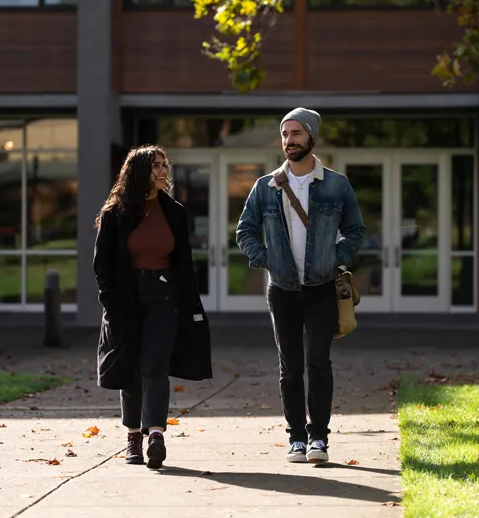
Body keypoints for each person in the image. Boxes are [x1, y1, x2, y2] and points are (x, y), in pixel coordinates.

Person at [236, 108, 365, 464]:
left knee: (318, 362)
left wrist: (335, 257)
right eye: (284, 134)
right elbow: (244, 231)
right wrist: (266, 258)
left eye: (295, 133)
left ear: (311, 137)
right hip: (282, 288)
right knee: (290, 366)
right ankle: (295, 438)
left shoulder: (337, 185)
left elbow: (356, 230)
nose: (288, 140)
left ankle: (319, 439)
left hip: (322, 287)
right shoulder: (266, 186)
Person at [93, 145, 212, 470]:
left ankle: (156, 434)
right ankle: (133, 435)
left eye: (164, 165)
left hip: (164, 297)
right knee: (131, 368)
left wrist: (189, 304)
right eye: (156, 166)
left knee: (155, 366)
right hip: (127, 299)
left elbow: (183, 262)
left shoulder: (174, 211)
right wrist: (111, 303)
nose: (163, 171)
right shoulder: (115, 213)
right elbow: (101, 264)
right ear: (138, 171)